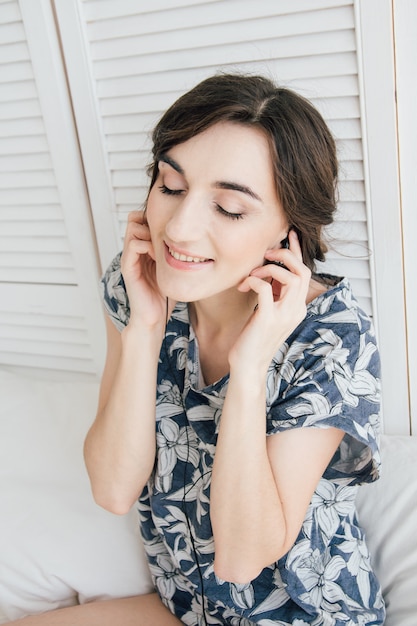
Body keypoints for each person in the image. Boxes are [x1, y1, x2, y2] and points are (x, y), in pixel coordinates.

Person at [8, 74, 385, 625]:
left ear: (288, 229)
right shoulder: (137, 280)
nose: (180, 230)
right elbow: (114, 488)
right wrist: (143, 329)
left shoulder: (332, 335)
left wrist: (251, 367)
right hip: (186, 607)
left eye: (229, 209)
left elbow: (240, 558)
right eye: (171, 186)